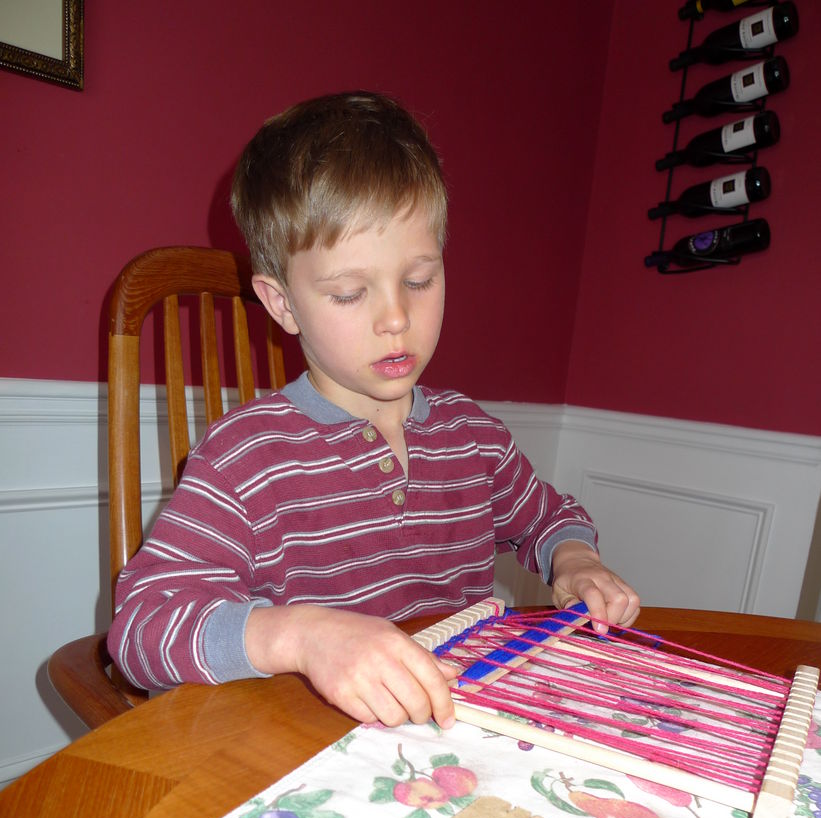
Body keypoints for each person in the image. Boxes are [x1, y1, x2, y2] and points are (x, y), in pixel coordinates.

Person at [108, 90, 639, 731]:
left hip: (461, 733)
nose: (395, 317)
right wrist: (302, 637)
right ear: (282, 304)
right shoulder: (245, 458)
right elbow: (142, 626)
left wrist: (575, 560)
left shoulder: (472, 438)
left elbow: (551, 518)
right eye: (350, 292)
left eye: (419, 280)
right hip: (309, 752)